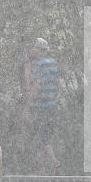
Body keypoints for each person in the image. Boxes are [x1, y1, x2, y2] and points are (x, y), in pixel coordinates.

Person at [27, 38, 60, 173]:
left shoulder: (39, 65)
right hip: (52, 105)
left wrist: (29, 104)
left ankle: (53, 161)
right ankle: (42, 169)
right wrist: (55, 98)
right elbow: (58, 84)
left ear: (39, 50)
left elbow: (36, 85)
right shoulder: (53, 63)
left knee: (41, 136)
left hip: (41, 105)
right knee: (45, 135)